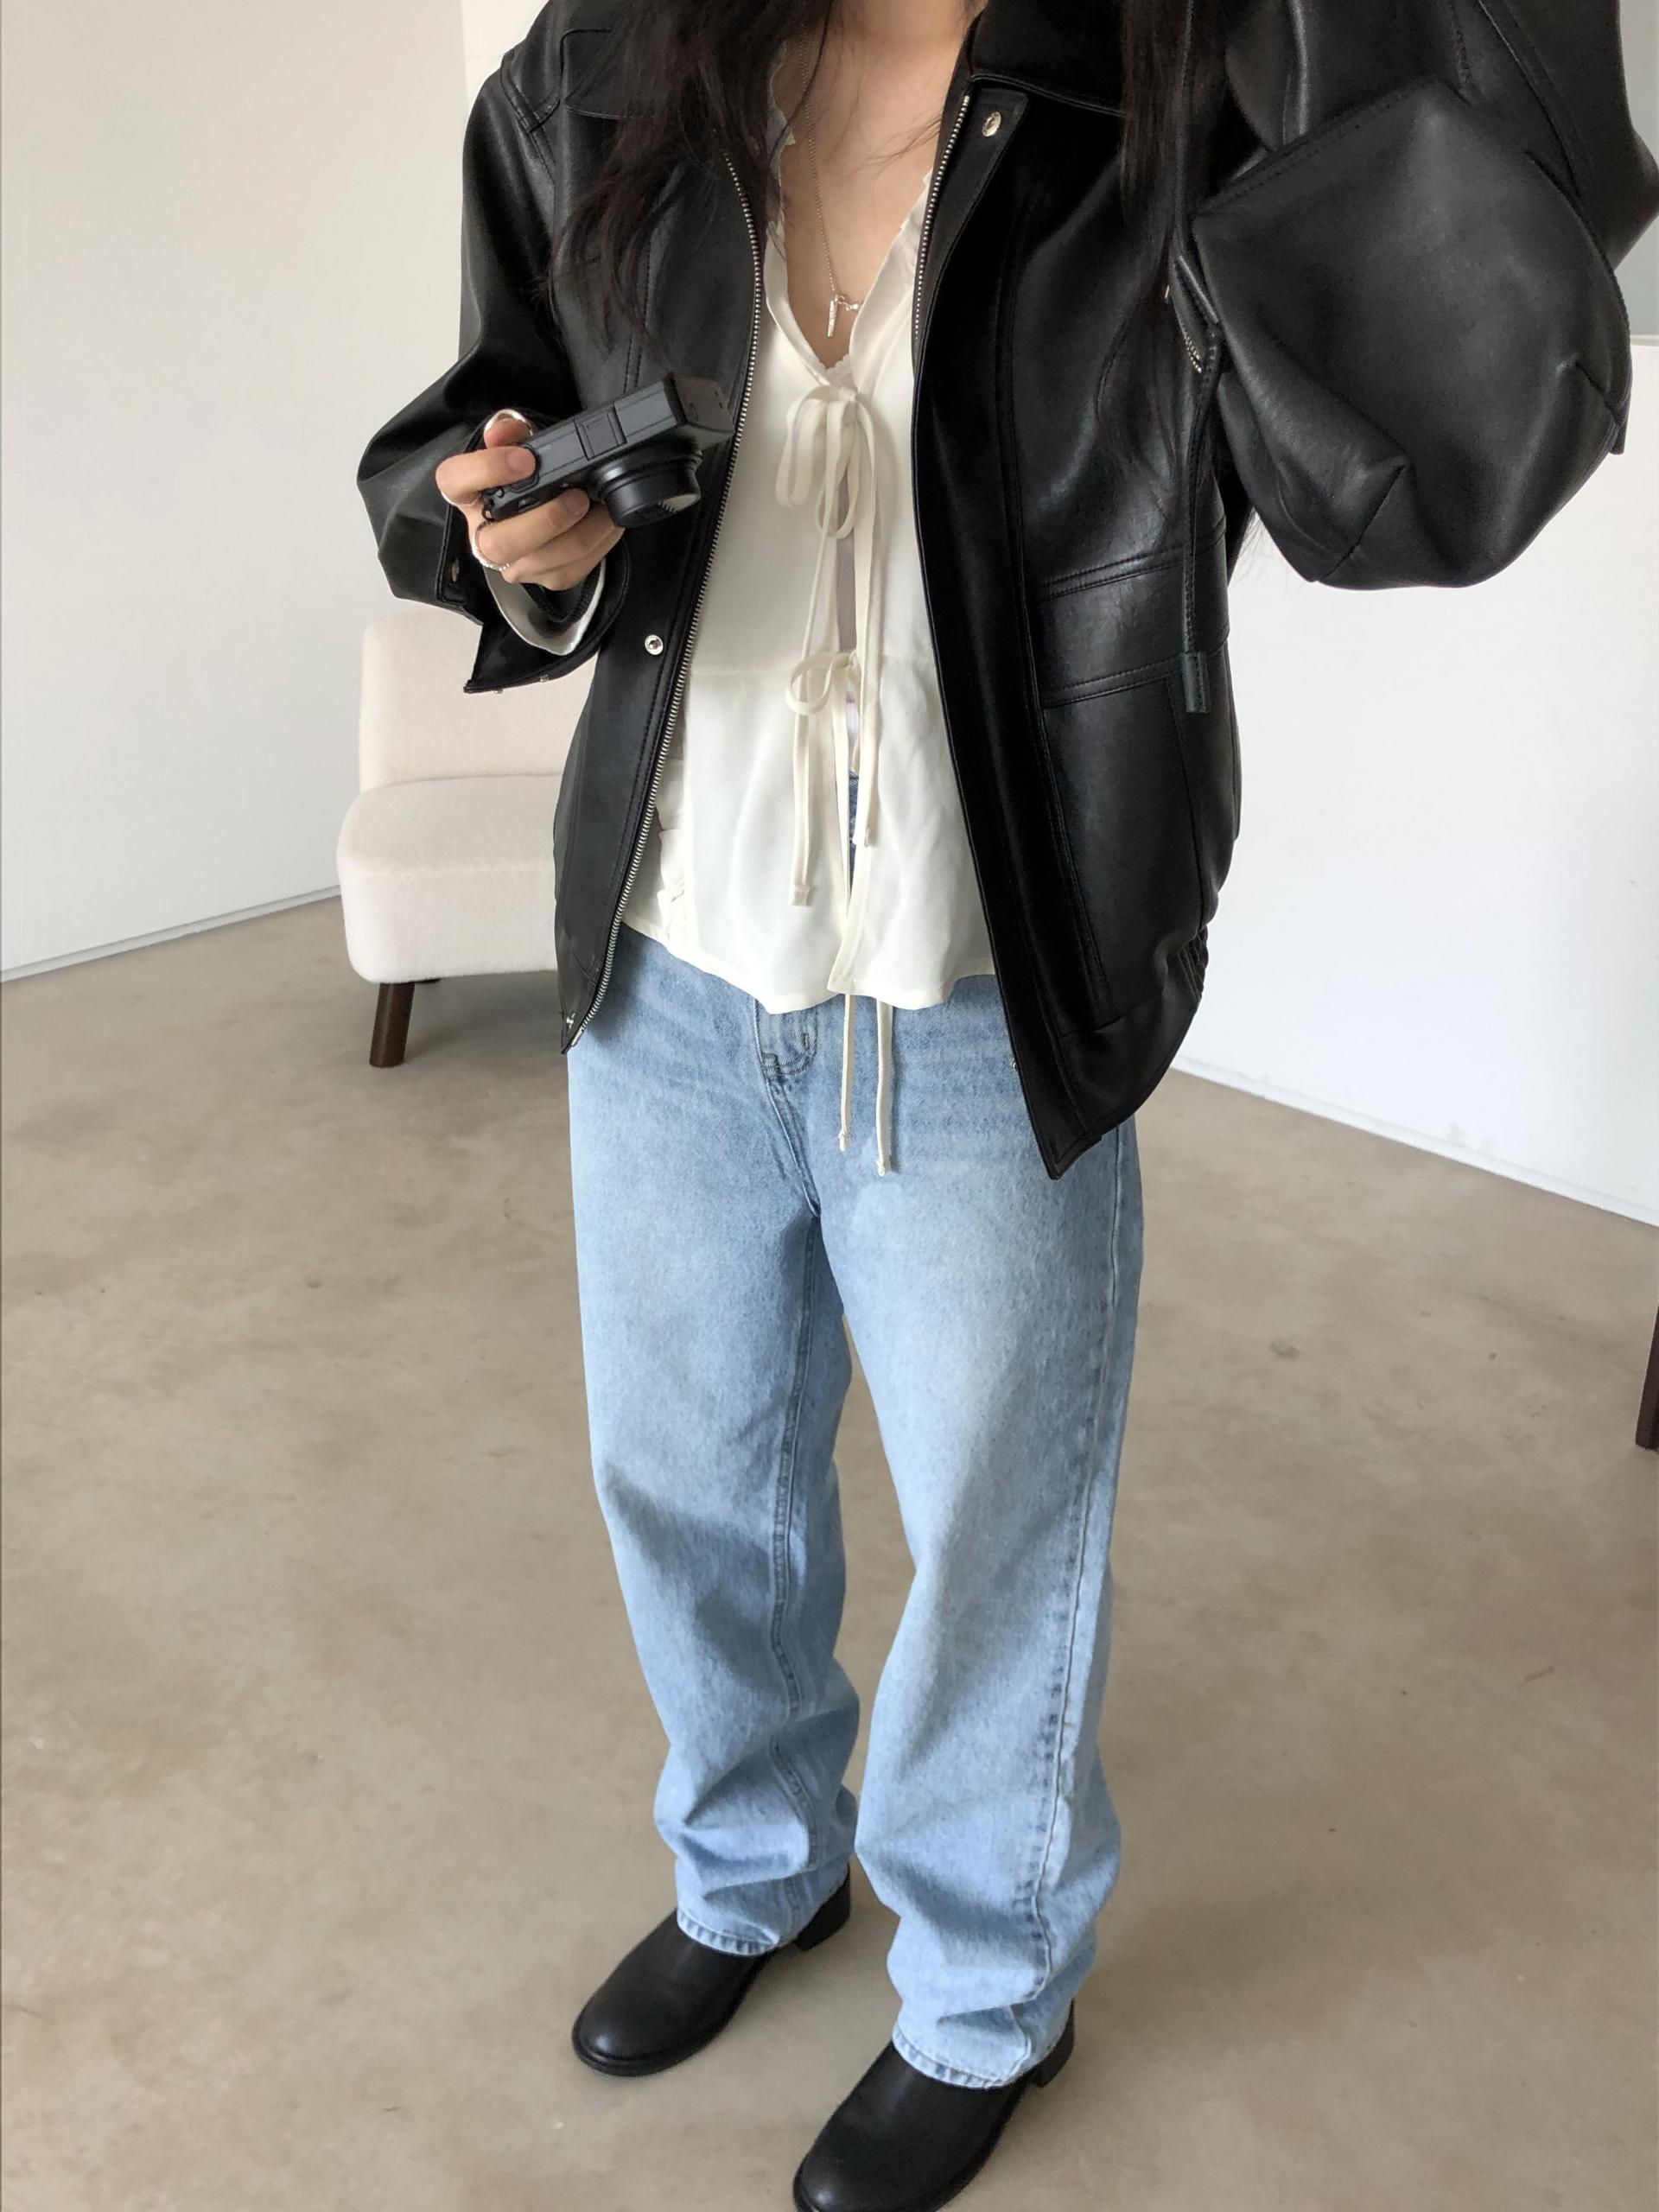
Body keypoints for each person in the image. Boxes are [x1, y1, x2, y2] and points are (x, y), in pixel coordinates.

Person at [357, 3, 1656, 2205]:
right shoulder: (614, 62)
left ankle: (984, 1989)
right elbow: (475, 430)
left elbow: (1453, 426)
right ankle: (754, 1868)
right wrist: (511, 534)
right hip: (671, 944)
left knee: (999, 1538)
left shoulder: (1185, 82)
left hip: (981, 965)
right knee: (686, 1481)